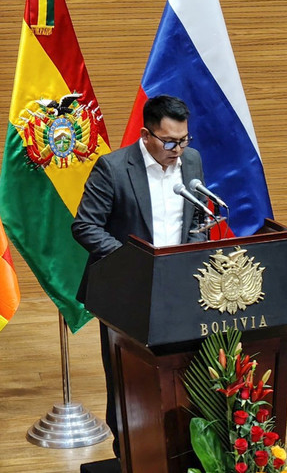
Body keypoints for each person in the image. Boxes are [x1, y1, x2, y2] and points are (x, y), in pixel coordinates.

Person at [72, 95, 207, 460]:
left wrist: (188, 256)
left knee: (182, 374)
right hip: (127, 292)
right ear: (146, 135)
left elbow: (198, 221)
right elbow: (85, 226)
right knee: (127, 381)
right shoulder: (113, 168)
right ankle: (128, 456)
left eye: (183, 140)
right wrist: (136, 264)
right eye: (169, 142)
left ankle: (183, 453)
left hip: (178, 289)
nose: (178, 149)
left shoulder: (191, 161)